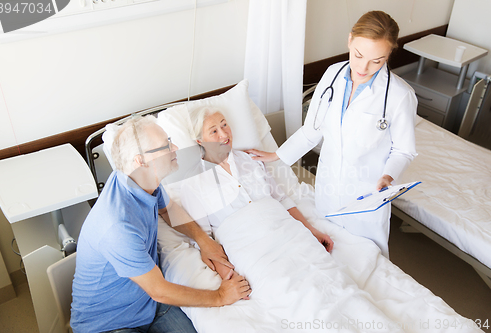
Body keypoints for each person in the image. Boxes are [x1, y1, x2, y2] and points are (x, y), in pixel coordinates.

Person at [247, 11, 417, 258]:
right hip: (328, 189)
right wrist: (275, 155)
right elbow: (311, 131)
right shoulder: (332, 75)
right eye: (358, 55)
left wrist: (388, 177)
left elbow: (404, 150)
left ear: (389, 55)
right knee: (329, 251)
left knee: (368, 261)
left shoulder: (400, 95)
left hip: (366, 196)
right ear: (349, 40)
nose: (363, 67)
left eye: (377, 61)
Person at [71, 116, 251, 333]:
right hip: (110, 325)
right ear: (141, 162)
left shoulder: (140, 181)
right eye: (166, 145)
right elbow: (159, 290)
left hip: (149, 307)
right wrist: (221, 296)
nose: (175, 148)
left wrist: (204, 241)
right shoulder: (117, 226)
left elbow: (167, 209)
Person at [179, 107, 334, 279]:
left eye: (224, 125)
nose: (223, 134)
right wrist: (227, 274)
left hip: (289, 235)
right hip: (253, 252)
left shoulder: (250, 159)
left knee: (327, 276)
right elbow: (204, 239)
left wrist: (312, 231)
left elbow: (282, 200)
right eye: (214, 131)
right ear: (200, 141)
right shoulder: (193, 182)